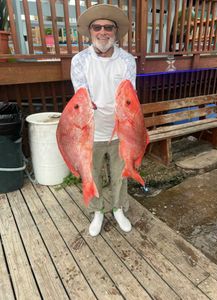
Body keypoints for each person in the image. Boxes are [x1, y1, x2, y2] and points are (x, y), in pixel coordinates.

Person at [70, 4, 136, 237]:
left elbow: (130, 95)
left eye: (109, 27)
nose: (103, 32)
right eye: (97, 27)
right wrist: (89, 104)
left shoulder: (127, 60)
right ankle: (97, 211)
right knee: (93, 173)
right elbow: (81, 94)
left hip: (120, 132)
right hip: (91, 132)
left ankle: (118, 208)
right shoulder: (79, 60)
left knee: (120, 174)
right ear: (90, 31)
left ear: (116, 32)